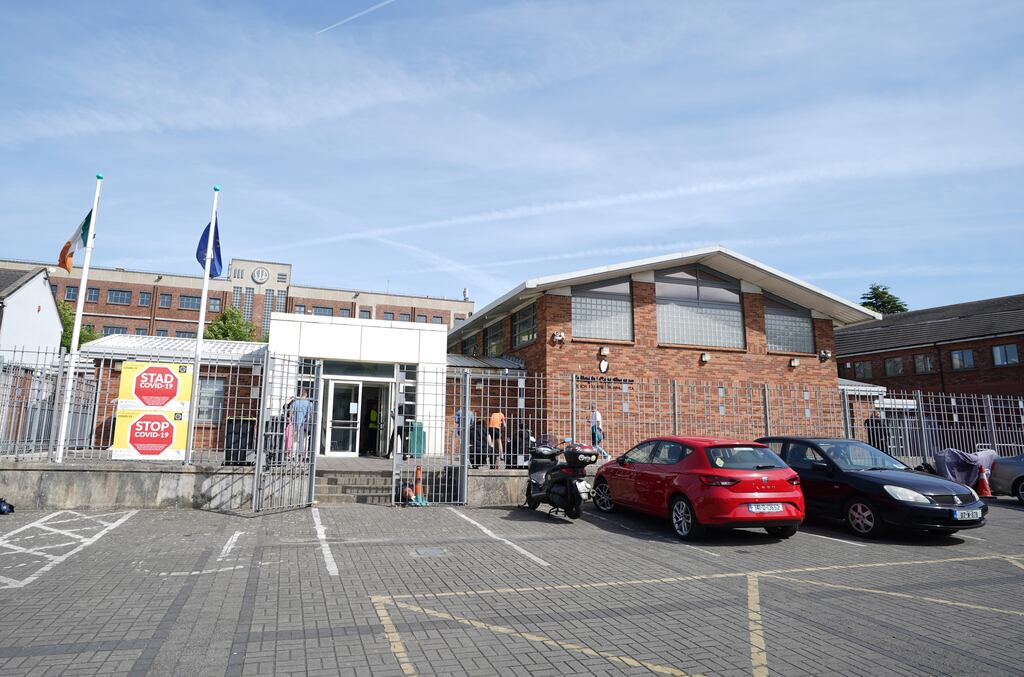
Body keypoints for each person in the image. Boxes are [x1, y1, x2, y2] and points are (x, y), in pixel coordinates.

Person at [287, 388, 313, 454]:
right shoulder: (309, 404)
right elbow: (311, 414)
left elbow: (290, 413)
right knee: (304, 439)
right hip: (304, 424)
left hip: (295, 423)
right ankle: (303, 454)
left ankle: (292, 453)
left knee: (294, 439)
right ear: (306, 394)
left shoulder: (295, 403)